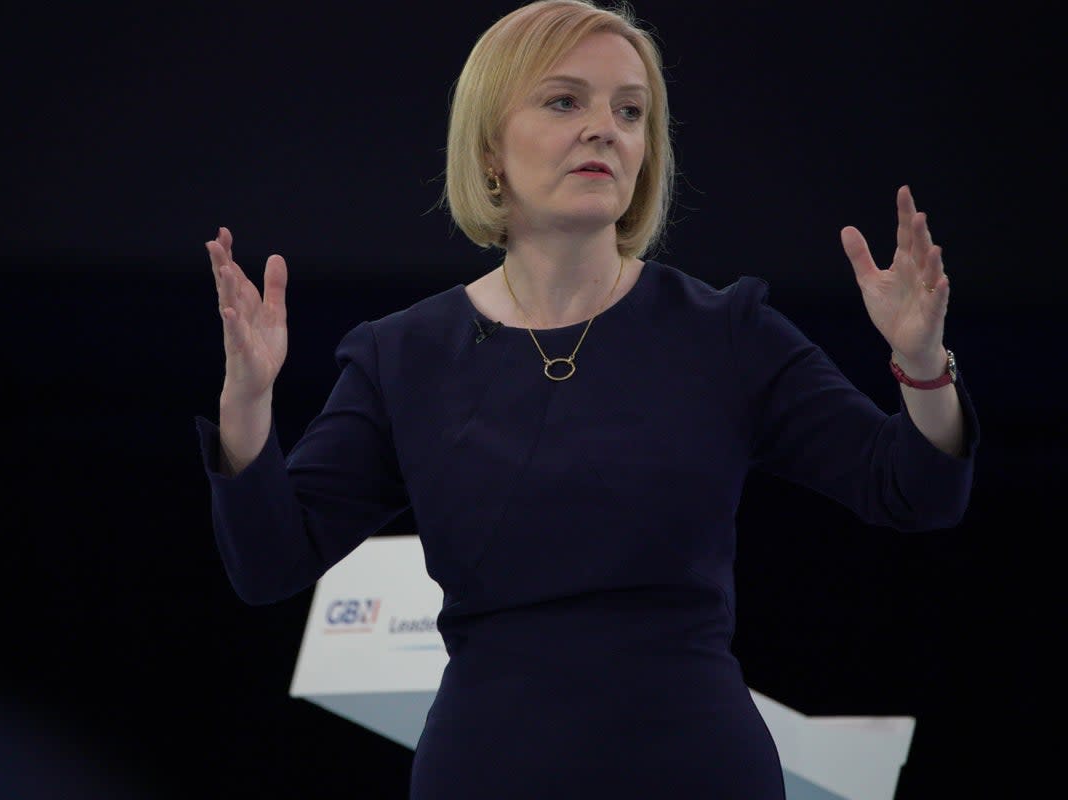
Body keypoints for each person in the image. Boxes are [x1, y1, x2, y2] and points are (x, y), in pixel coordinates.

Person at [195, 0, 978, 796]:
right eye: (565, 100)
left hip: (696, 770)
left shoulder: (726, 333)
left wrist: (922, 363)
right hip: (490, 770)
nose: (605, 127)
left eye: (629, 110)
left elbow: (912, 492)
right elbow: (269, 563)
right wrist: (249, 402)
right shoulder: (402, 357)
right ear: (491, 146)